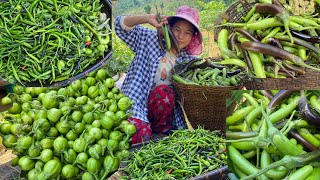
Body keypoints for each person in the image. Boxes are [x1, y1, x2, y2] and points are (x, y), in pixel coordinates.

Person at [114, 5, 203, 144]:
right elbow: (120, 26)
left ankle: (159, 130)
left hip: (163, 113)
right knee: (139, 136)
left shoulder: (189, 61)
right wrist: (147, 18)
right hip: (137, 102)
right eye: (177, 29)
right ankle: (145, 126)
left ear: (192, 37)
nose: (180, 36)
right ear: (170, 28)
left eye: (187, 33)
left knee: (164, 92)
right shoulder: (149, 39)